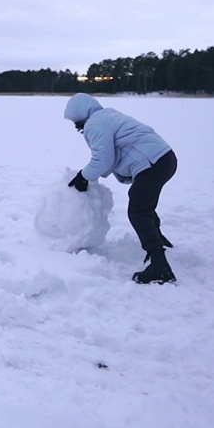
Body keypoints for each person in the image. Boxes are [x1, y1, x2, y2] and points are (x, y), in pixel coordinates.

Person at [63, 93, 178, 284]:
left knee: (138, 210)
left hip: (152, 162)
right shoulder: (108, 116)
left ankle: (159, 264)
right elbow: (116, 152)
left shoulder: (94, 124)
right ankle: (158, 239)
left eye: (75, 121)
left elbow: (104, 158)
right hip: (165, 158)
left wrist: (83, 177)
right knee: (143, 202)